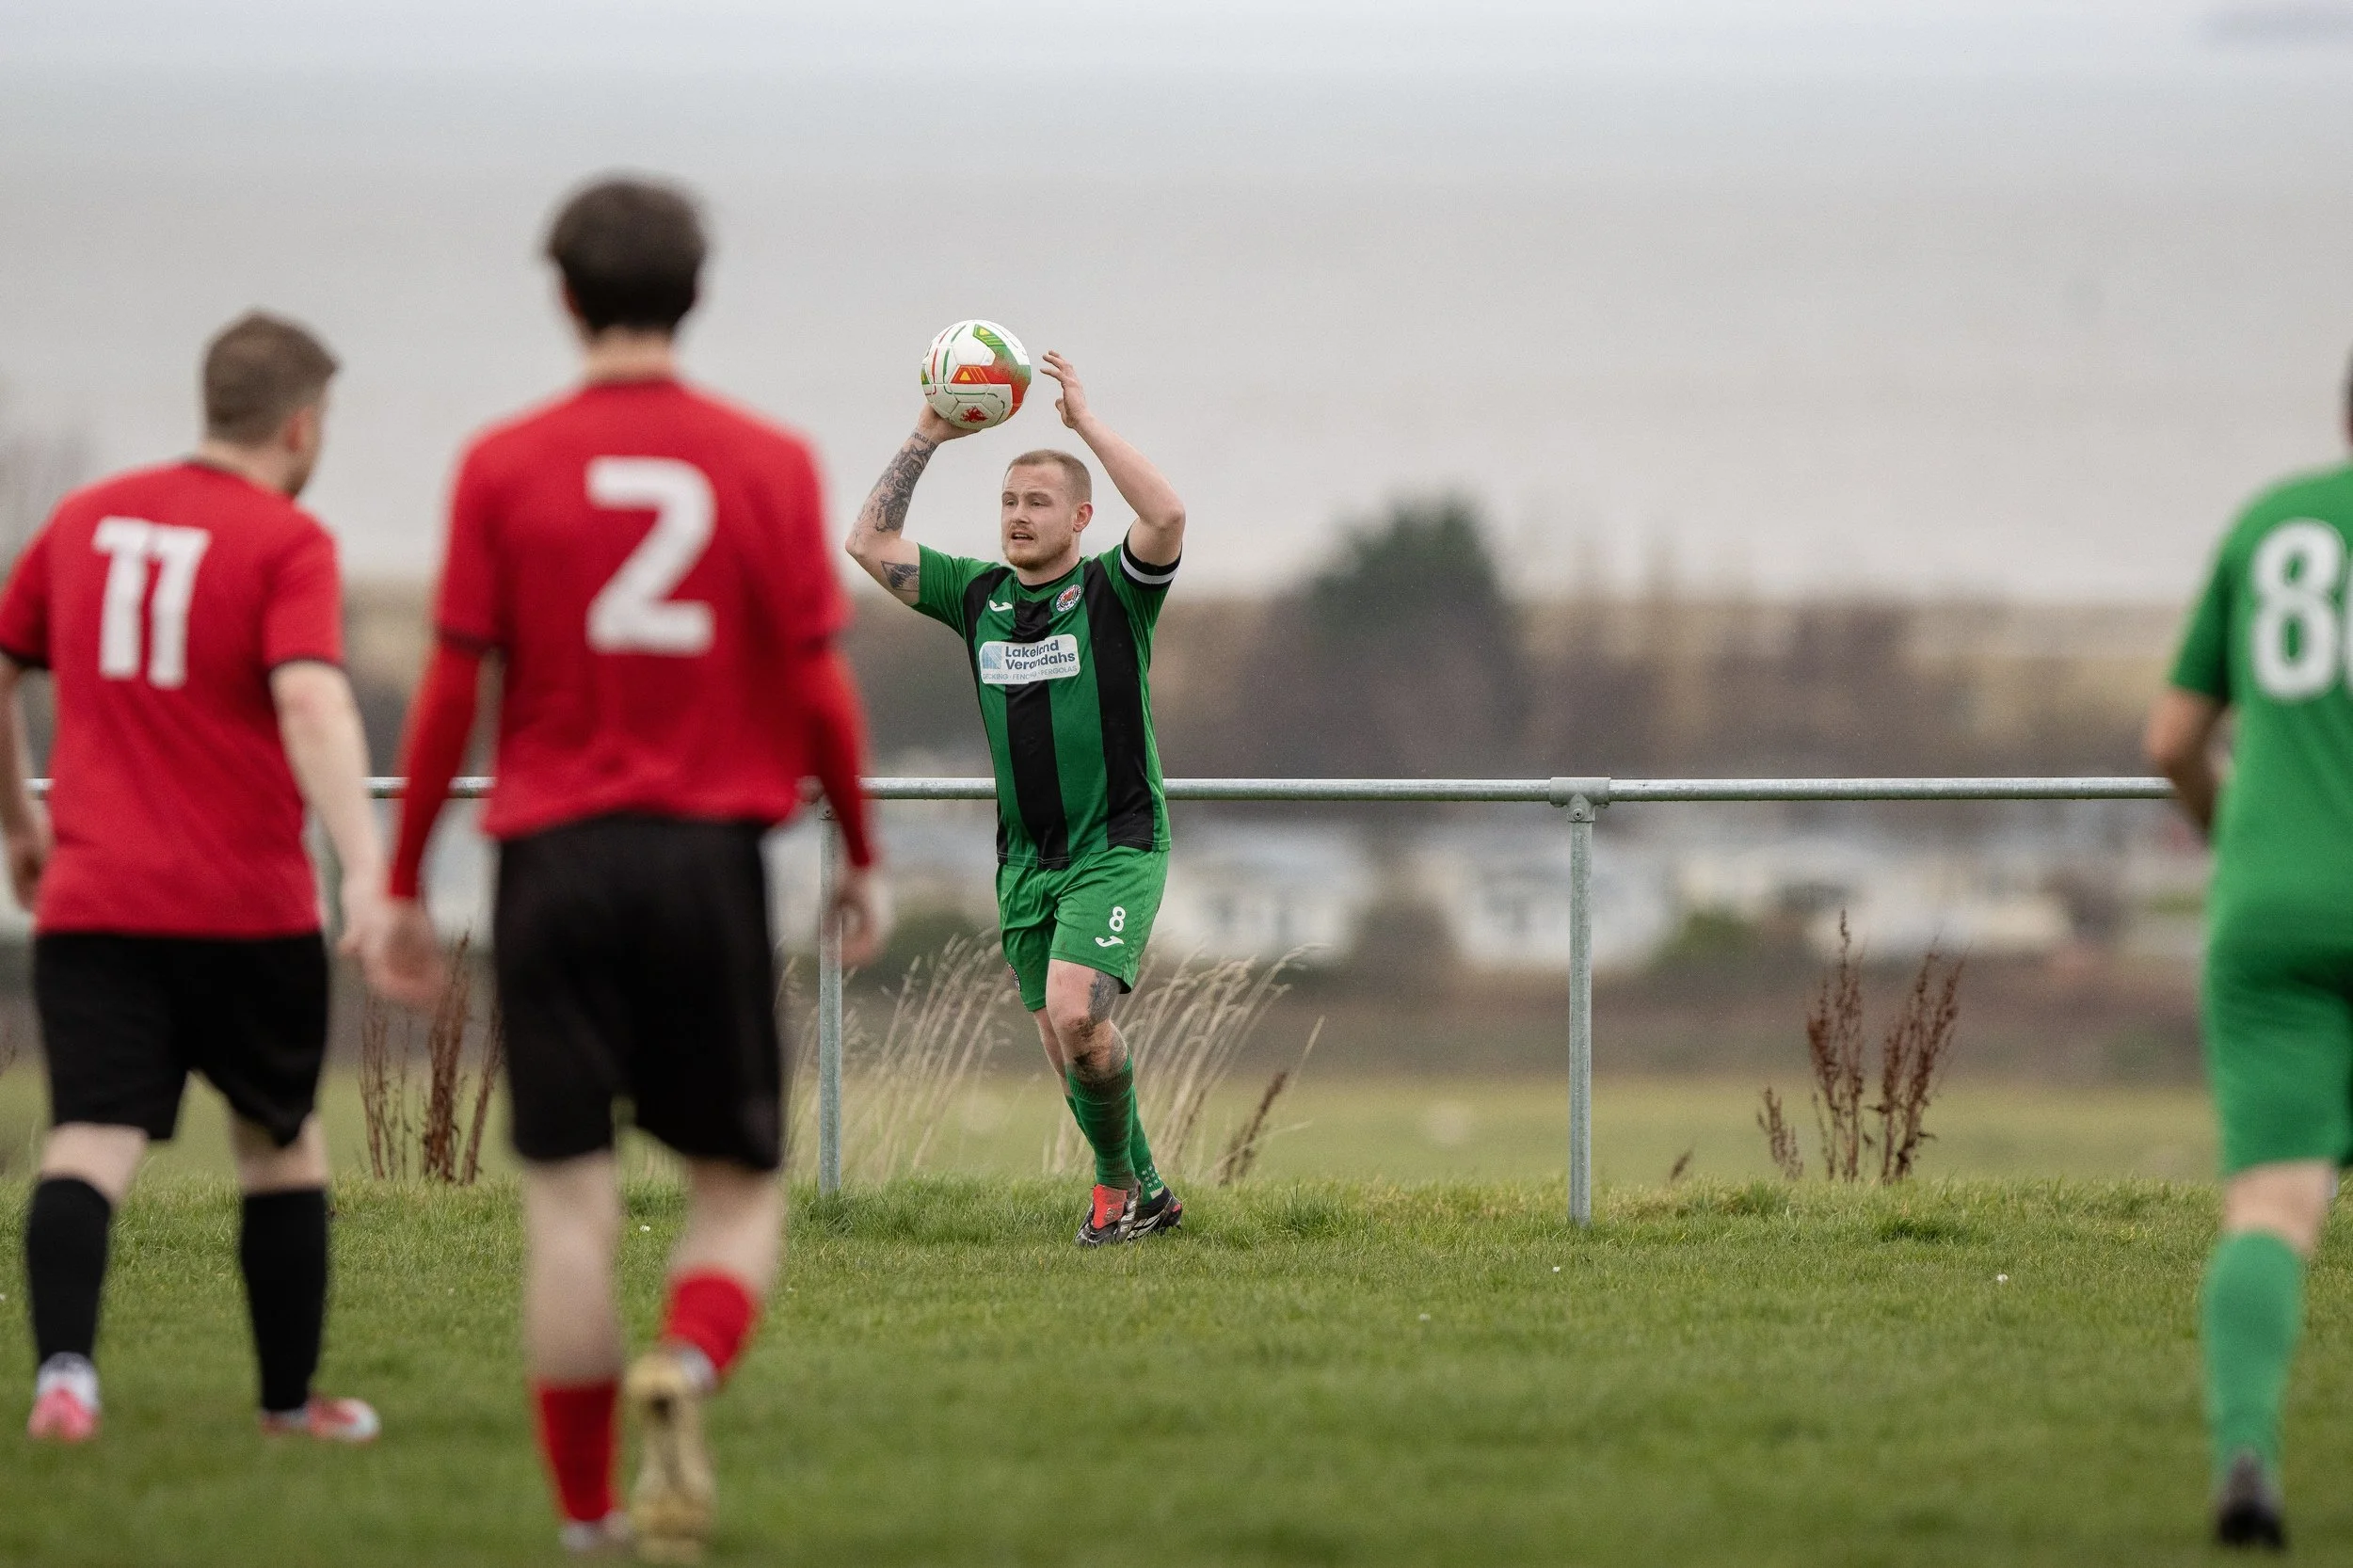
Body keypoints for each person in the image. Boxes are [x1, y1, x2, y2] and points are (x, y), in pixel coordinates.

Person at [361, 175, 884, 1561]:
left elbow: (446, 692)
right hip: (706, 860)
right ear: (697, 296)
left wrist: (400, 877)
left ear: (565, 295)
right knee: (738, 1187)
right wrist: (863, 852)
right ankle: (692, 1360)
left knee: (570, 1209)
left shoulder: (501, 461)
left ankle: (588, 1519)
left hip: (548, 866)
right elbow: (819, 685)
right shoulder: (768, 460)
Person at [0, 312, 387, 1446]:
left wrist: (21, 818)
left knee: (88, 1139)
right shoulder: (284, 541)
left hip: (94, 900)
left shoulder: (82, 520)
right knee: (278, 1144)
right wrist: (364, 868)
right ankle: (284, 1408)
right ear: (302, 424)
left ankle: (65, 1377)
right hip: (245, 904)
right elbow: (311, 700)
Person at [845, 350, 1186, 1246]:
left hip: (1117, 844)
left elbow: (1168, 513)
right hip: (1025, 864)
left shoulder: (1114, 591)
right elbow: (868, 544)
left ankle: (1120, 1196)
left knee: (1079, 1013)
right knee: (1062, 1042)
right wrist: (928, 431)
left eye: (1038, 502)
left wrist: (1085, 425)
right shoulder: (978, 596)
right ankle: (1142, 1192)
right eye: (1008, 502)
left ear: (1079, 517)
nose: (1019, 517)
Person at [2147, 353, 2353, 1549]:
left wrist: (2232, 836)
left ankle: (2245, 1452)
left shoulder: (2273, 523)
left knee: (2272, 1210)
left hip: (2271, 915)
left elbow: (2171, 734)